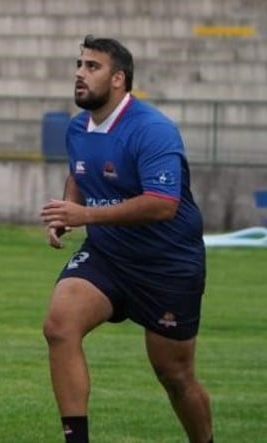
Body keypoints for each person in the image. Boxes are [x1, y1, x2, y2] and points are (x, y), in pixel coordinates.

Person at [39, 37, 213, 443]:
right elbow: (79, 173)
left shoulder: (153, 129)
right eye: (79, 64)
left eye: (92, 67)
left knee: (175, 375)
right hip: (107, 256)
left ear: (118, 79)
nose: (80, 73)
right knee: (59, 325)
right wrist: (68, 212)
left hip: (167, 264)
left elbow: (162, 204)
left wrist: (85, 215)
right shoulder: (77, 127)